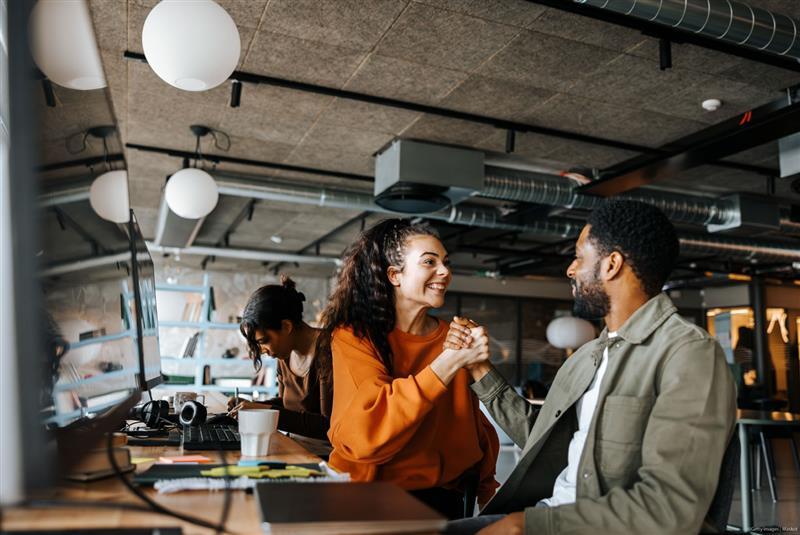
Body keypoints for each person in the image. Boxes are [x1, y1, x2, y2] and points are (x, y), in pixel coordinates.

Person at [445, 199, 737, 535]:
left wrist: (529, 525)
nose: (571, 269)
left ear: (611, 264)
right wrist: (480, 368)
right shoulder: (589, 355)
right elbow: (543, 439)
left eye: (580, 256)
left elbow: (669, 509)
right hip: (546, 513)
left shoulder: (689, 353)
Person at [321, 218, 500, 520]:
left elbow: (470, 422)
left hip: (442, 500)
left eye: (445, 262)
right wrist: (448, 362)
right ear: (395, 275)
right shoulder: (354, 336)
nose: (444, 272)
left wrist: (488, 490)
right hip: (365, 497)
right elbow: (369, 434)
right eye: (429, 262)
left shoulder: (454, 337)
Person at [229, 276, 332, 457]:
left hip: (322, 454)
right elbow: (287, 405)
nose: (263, 351)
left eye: (264, 341)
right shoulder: (284, 353)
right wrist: (252, 406)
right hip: (295, 445)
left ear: (286, 326)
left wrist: (263, 411)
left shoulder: (327, 351)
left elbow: (327, 425)